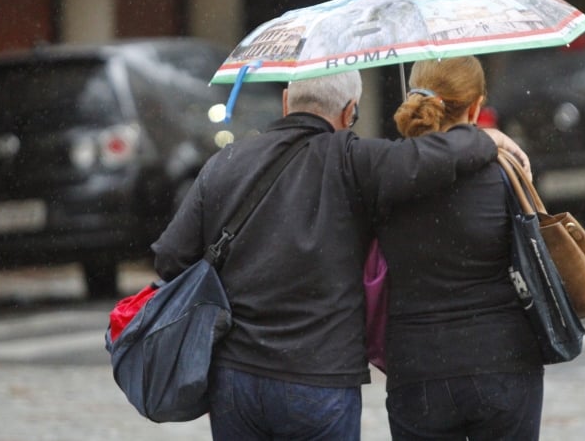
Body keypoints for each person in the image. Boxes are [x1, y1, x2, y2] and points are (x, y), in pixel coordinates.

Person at [151, 69, 530, 441]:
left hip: (236, 379)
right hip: (320, 378)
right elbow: (427, 157)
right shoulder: (352, 159)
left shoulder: (226, 161)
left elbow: (171, 257)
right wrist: (486, 137)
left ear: (286, 101)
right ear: (350, 112)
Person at [377, 56, 544, 441]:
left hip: (417, 368)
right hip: (503, 360)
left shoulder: (384, 175)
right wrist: (489, 137)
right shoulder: (505, 172)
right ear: (476, 105)